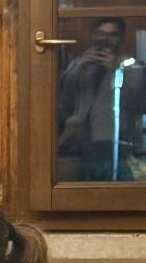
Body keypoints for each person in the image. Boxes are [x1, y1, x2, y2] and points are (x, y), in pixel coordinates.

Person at [57, 17, 146, 181]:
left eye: (112, 35)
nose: (105, 39)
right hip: (76, 144)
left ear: (121, 39)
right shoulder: (79, 65)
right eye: (100, 33)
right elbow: (63, 101)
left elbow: (138, 102)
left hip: (114, 145)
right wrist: (80, 67)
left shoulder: (131, 65)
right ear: (93, 36)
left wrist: (115, 71)